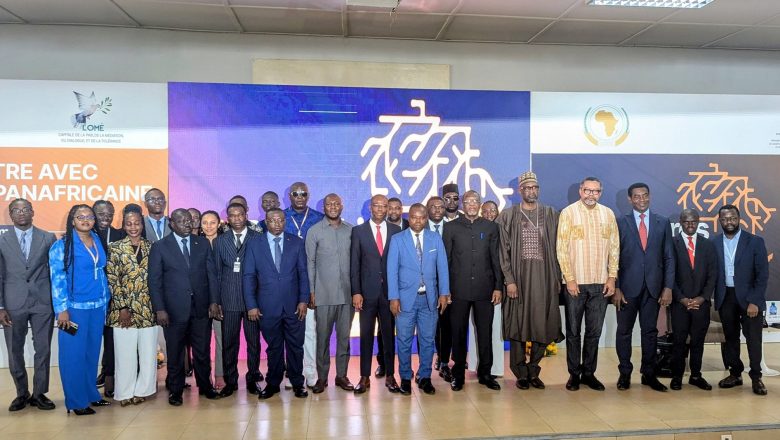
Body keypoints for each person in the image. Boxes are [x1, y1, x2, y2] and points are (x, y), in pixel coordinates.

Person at [497, 172, 563, 390]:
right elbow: (502, 252)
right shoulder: (507, 216)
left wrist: (558, 279)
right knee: (517, 325)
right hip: (518, 281)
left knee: (542, 325)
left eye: (535, 187)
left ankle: (533, 369)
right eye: (527, 188)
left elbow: (561, 248)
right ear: (520, 191)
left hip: (545, 280)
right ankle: (520, 372)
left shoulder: (552, 214)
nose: (531, 191)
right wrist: (509, 280)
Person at [148, 208, 221, 406]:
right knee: (175, 353)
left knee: (202, 352)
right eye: (182, 221)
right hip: (173, 311)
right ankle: (176, 390)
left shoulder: (202, 243)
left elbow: (211, 275)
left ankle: (206, 387)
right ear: (172, 224)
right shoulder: (160, 247)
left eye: (189, 220)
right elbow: (154, 282)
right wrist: (159, 309)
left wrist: (214, 301)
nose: (187, 224)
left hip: (201, 309)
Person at [557, 177, 619, 392]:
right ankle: (574, 375)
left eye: (596, 191)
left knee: (594, 332)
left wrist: (612, 277)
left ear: (600, 193)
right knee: (573, 332)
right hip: (576, 283)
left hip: (600, 284)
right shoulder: (568, 213)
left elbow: (614, 248)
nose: (591, 195)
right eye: (587, 190)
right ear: (580, 191)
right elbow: (561, 248)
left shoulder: (608, 214)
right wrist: (569, 279)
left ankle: (589, 373)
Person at [49, 204, 111, 415]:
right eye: (80, 216)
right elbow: (57, 279)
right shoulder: (62, 245)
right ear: (72, 220)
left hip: (97, 307)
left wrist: (106, 301)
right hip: (73, 310)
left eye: (89, 216)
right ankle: (76, 402)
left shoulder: (97, 240)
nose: (85, 220)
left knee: (91, 353)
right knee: (72, 356)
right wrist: (62, 310)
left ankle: (91, 394)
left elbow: (100, 272)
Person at [613, 183, 675, 392]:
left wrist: (667, 287)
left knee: (650, 332)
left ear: (650, 196)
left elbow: (669, 257)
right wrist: (617, 287)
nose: (641, 200)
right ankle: (624, 374)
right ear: (630, 199)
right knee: (624, 332)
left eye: (645, 195)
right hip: (626, 290)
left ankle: (649, 374)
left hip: (653, 289)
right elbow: (614, 258)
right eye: (637, 197)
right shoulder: (620, 223)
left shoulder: (662, 222)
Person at [243, 208, 310, 399]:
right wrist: (251, 305)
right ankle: (273, 384)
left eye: (281, 220)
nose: (277, 224)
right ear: (266, 221)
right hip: (266, 306)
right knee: (274, 347)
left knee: (296, 346)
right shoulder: (255, 244)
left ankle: (298, 382)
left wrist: (303, 300)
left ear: (285, 221)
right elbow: (248, 277)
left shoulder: (296, 242)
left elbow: (303, 274)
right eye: (273, 220)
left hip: (294, 306)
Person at [0, 199, 56, 411]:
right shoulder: (2, 241)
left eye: (25, 209)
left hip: (43, 302)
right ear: (10, 215)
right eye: (16, 210)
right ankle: (21, 393)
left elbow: (55, 272)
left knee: (43, 349)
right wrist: (0, 306)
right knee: (15, 350)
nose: (21, 213)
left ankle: (39, 393)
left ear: (33, 212)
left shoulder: (48, 237)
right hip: (13, 303)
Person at [443, 190, 502, 391]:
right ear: (462, 204)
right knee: (458, 333)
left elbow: (496, 259)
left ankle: (485, 373)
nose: (471, 204)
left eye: (475, 201)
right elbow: (446, 261)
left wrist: (497, 286)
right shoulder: (450, 228)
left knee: (485, 333)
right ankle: (457, 374)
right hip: (457, 291)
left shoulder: (491, 227)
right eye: (467, 201)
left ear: (479, 204)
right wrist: (445, 289)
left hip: (485, 290)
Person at [388, 203, 450, 395]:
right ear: (409, 217)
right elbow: (391, 271)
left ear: (426, 219)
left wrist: (444, 293)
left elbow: (443, 268)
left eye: (422, 218)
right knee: (404, 341)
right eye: (414, 217)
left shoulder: (435, 238)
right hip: (405, 299)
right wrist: (393, 297)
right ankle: (405, 378)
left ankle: (425, 377)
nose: (417, 221)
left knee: (427, 340)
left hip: (429, 300)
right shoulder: (398, 239)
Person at [713, 204, 769, 395]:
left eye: (732, 218)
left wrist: (755, 300)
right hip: (725, 297)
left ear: (739, 219)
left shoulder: (755, 241)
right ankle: (735, 374)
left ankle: (756, 377)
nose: (729, 222)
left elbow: (762, 275)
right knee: (730, 339)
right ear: (720, 221)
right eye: (725, 219)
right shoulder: (714, 243)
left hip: (749, 298)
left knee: (753, 339)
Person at [106, 205, 157, 407]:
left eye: (137, 223)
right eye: (129, 223)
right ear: (123, 225)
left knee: (148, 353)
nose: (133, 226)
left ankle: (143, 390)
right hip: (123, 311)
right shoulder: (115, 248)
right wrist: (122, 308)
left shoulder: (152, 247)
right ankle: (124, 392)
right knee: (124, 354)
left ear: (142, 224)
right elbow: (112, 280)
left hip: (148, 309)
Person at [350, 195, 402, 394]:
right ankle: (364, 377)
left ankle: (390, 375)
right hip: (367, 293)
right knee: (365, 335)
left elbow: (399, 263)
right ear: (370, 208)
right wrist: (356, 291)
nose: (380, 209)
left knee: (389, 335)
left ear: (388, 208)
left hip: (390, 293)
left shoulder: (397, 230)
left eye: (384, 206)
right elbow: (354, 264)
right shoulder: (358, 231)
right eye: (376, 205)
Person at [306, 194, 355, 393]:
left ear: (342, 206)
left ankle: (341, 376)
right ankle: (322, 377)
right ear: (323, 207)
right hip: (323, 295)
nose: (333, 207)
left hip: (347, 295)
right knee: (323, 338)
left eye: (336, 204)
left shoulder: (351, 230)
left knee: (344, 338)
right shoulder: (314, 231)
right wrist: (311, 291)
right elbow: (310, 263)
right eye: (329, 204)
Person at [213, 203, 263, 397]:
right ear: (228, 217)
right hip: (229, 300)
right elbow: (217, 274)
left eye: (239, 215)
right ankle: (230, 381)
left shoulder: (257, 238)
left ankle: (252, 380)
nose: (236, 218)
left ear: (246, 215)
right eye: (232, 215)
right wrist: (217, 301)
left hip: (252, 301)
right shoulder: (220, 241)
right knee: (229, 343)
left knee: (253, 343)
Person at [669, 208, 717, 391]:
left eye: (693, 221)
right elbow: (669, 274)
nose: (690, 225)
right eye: (686, 221)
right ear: (680, 223)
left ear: (698, 222)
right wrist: (680, 298)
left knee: (698, 341)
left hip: (701, 304)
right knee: (679, 341)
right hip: (679, 303)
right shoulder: (672, 244)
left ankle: (696, 375)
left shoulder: (708, 245)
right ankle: (677, 376)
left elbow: (713, 275)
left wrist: (703, 298)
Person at [284, 182, 324, 388]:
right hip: (285, 283)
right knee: (289, 332)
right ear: (289, 196)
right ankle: (292, 373)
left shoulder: (319, 218)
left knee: (310, 330)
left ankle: (309, 370)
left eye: (303, 193)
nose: (299, 196)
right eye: (295, 193)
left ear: (308, 196)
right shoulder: (280, 218)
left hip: (310, 281)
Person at [468, 198, 505, 379]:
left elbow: (500, 260)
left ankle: (494, 368)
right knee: (476, 329)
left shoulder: (501, 230)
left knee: (493, 330)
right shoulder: (479, 229)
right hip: (475, 289)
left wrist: (500, 285)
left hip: (496, 287)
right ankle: (476, 365)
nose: (490, 213)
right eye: (486, 211)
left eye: (493, 210)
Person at [92, 199, 125, 398]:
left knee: (112, 339)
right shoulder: (87, 235)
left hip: (115, 296)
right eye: (101, 214)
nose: (105, 218)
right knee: (94, 338)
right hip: (92, 296)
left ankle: (110, 375)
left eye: (109, 214)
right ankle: (99, 373)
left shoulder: (120, 235)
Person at [200, 210, 227, 389]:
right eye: (205, 222)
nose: (208, 226)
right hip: (200, 299)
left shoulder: (225, 242)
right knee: (201, 341)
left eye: (212, 222)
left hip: (222, 298)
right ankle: (203, 378)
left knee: (222, 339)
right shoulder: (196, 243)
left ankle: (220, 374)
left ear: (219, 223)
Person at [427, 195, 452, 381]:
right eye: (433, 207)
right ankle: (427, 363)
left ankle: (444, 362)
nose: (437, 210)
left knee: (446, 325)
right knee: (429, 326)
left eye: (440, 207)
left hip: (447, 285)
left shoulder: (452, 227)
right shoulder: (418, 226)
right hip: (424, 286)